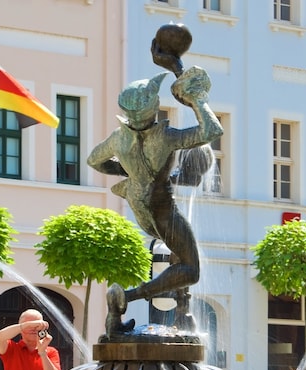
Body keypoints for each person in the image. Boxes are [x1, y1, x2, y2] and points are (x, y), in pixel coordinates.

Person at [87, 49, 223, 336]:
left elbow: (94, 161)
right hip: (161, 209)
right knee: (191, 268)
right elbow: (210, 131)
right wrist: (196, 99)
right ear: (153, 108)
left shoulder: (118, 138)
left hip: (139, 205)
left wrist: (129, 173)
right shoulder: (167, 137)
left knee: (178, 253)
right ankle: (126, 297)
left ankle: (153, 316)